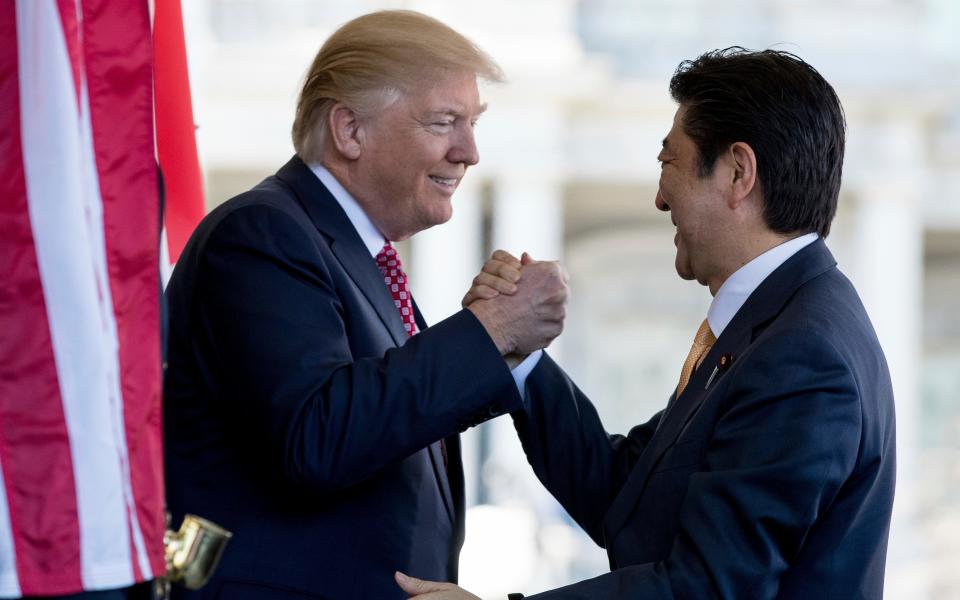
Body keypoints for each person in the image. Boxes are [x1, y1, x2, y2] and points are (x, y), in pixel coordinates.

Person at [397, 47, 896, 599]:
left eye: (669, 163)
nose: (660, 198)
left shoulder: (802, 352)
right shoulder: (781, 321)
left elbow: (708, 586)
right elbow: (627, 496)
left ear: (737, 172)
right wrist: (518, 350)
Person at [163, 10, 567, 599]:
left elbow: (385, 419)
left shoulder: (358, 257)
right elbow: (315, 438)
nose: (470, 151)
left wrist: (498, 345)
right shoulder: (261, 235)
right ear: (349, 130)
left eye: (473, 122)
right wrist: (488, 331)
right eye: (444, 121)